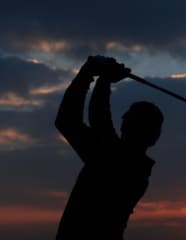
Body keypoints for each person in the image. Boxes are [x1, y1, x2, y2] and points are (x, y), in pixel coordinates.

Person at [55, 56, 163, 240]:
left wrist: (98, 77)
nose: (122, 119)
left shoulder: (118, 161)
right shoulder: (126, 162)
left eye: (129, 117)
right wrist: (93, 76)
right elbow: (68, 121)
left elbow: (99, 119)